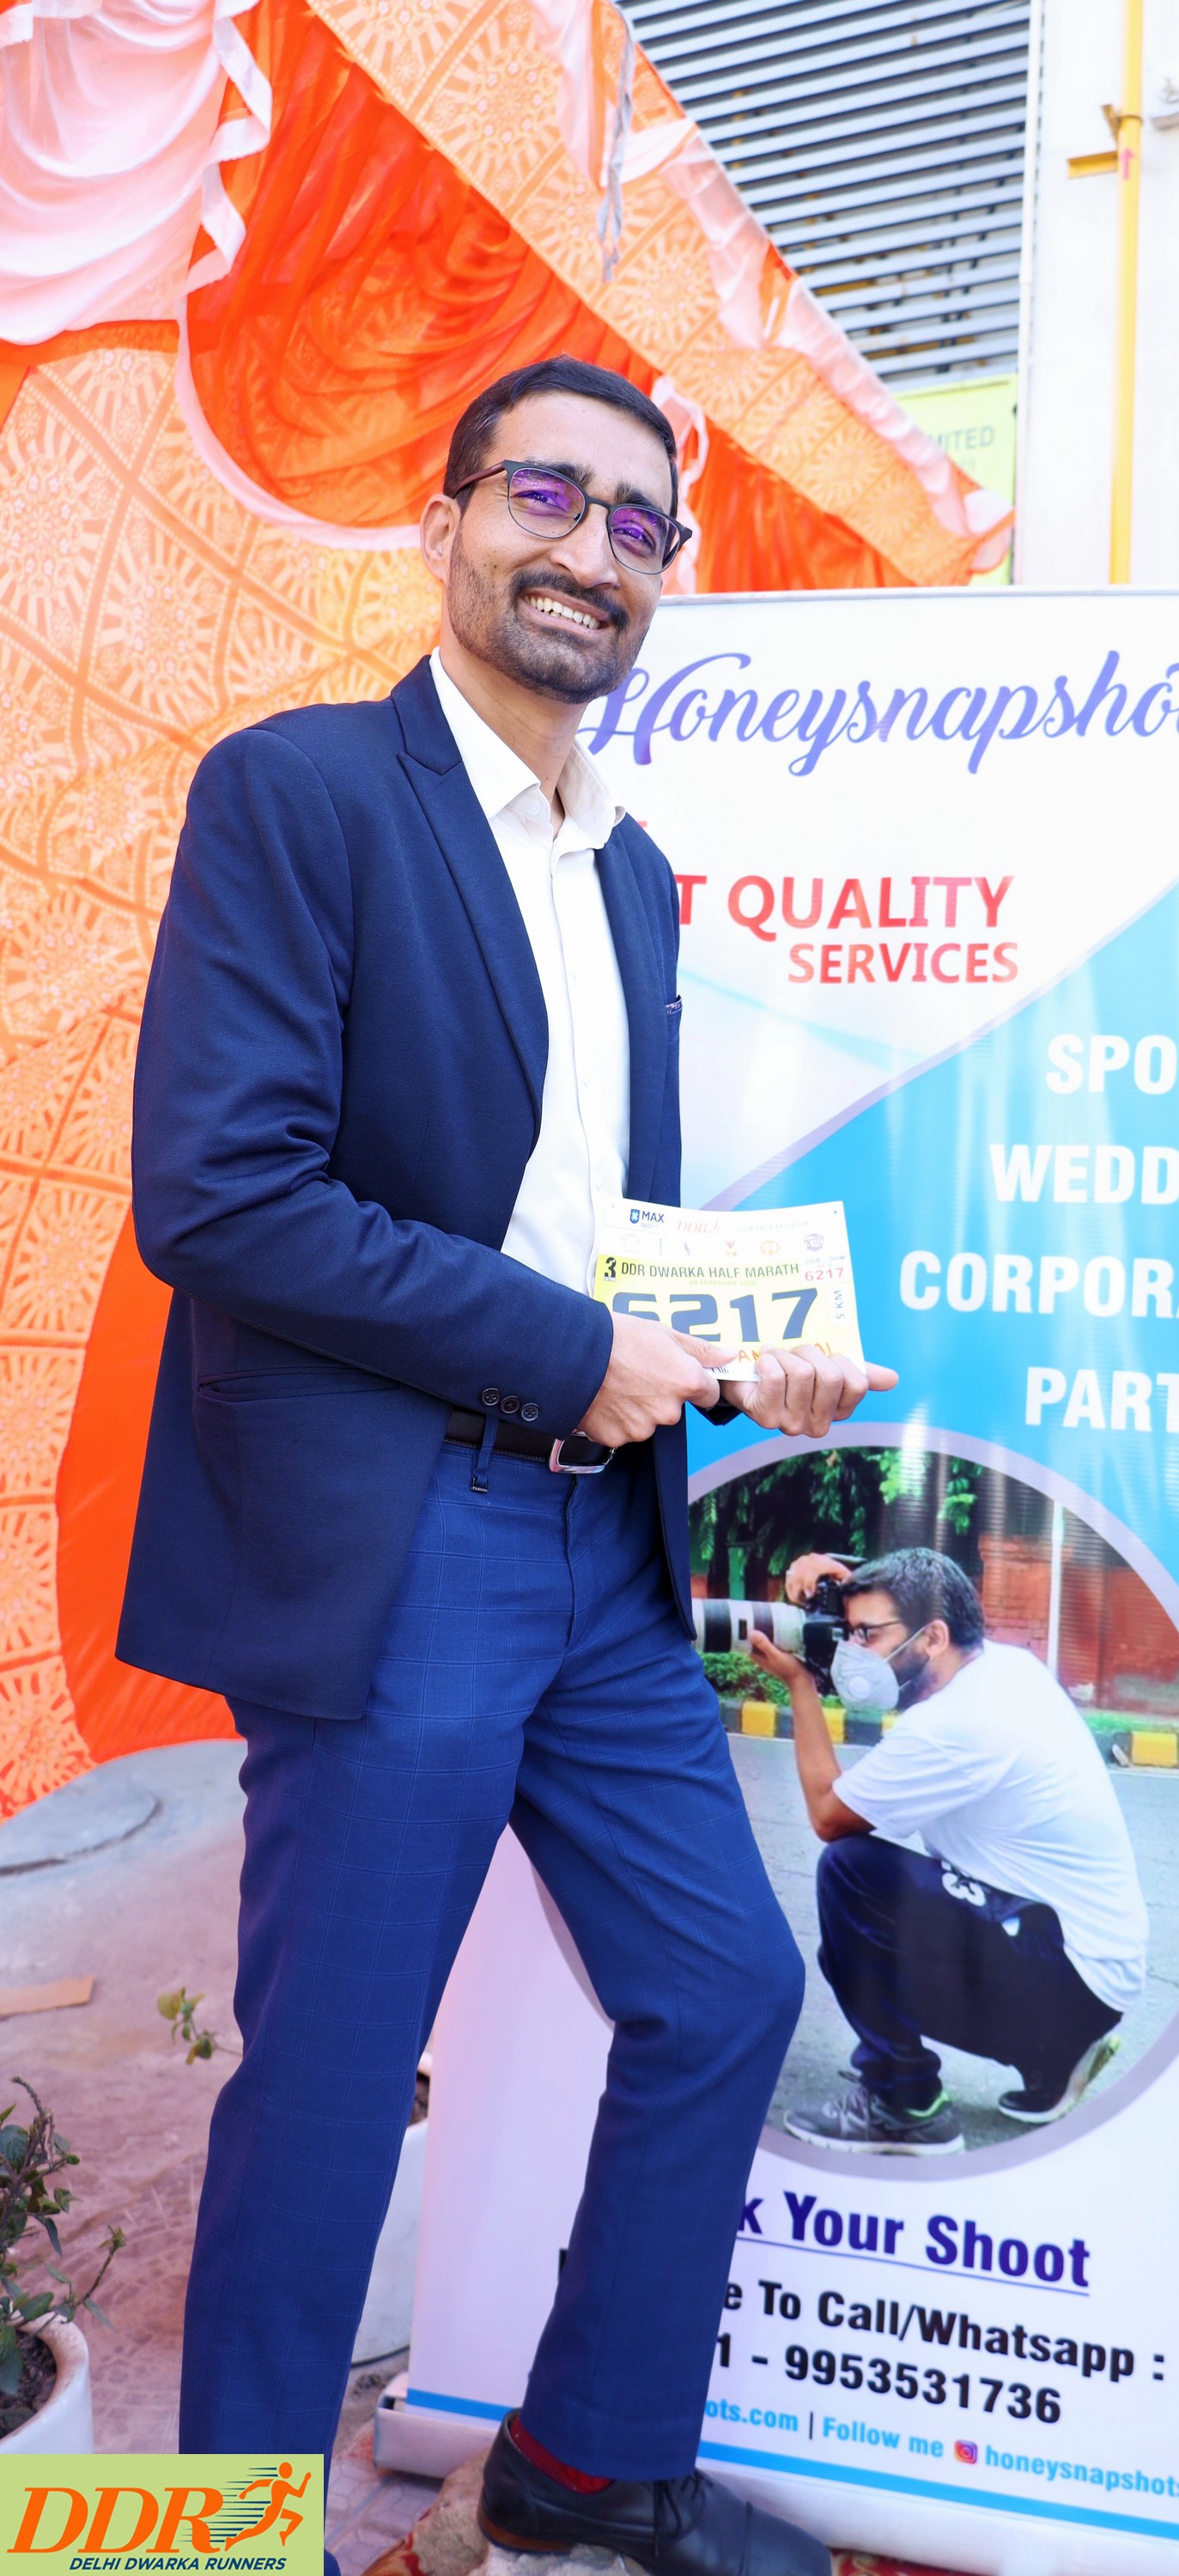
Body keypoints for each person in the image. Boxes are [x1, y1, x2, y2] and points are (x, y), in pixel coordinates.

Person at [121, 355, 896, 2576]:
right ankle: (214, 2549)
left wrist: (728, 1358)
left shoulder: (632, 873)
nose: (591, 549)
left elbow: (584, 1229)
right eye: (545, 495)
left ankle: (587, 2462)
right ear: (444, 522)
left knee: (727, 1989)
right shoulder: (298, 796)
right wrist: (578, 1349)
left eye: (640, 524)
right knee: (332, 2090)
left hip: (601, 1553)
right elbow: (224, 1196)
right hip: (402, 1541)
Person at [748, 1547, 1148, 2152]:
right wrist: (847, 1576)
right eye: (850, 1633)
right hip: (1091, 1973)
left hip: (1065, 1974)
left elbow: (830, 1816)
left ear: (933, 1637)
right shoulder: (1006, 1666)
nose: (854, 1651)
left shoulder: (957, 1722)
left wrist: (800, 1685)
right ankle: (1052, 2056)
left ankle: (903, 2104)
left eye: (867, 1635)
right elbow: (933, 1587)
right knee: (853, 1951)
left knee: (855, 1874)